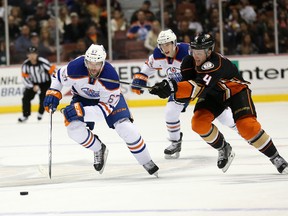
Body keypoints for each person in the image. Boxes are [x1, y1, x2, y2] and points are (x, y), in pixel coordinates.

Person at [149, 32, 288, 174]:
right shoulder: (188, 62)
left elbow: (199, 87)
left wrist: (173, 87)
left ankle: (275, 157)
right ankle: (223, 148)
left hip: (235, 92)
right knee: (198, 124)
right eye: (193, 51)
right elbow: (189, 90)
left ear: (209, 51)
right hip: (212, 95)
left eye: (200, 52)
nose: (195, 56)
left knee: (247, 127)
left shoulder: (215, 64)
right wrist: (168, 89)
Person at [43, 44, 159, 176]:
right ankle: (98, 149)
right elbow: (57, 77)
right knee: (73, 129)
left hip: (106, 102)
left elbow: (104, 111)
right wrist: (53, 92)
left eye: (97, 64)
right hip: (82, 98)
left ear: (103, 62)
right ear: (85, 61)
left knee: (126, 128)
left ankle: (146, 160)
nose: (93, 67)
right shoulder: (74, 67)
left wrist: (82, 112)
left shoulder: (111, 78)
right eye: (89, 63)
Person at [131, 29, 236, 159]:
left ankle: (242, 129)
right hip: (179, 88)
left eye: (168, 44)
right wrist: (140, 78)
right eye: (162, 45)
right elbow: (148, 66)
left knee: (223, 116)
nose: (165, 48)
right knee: (170, 112)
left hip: (200, 85)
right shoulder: (158, 55)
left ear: (175, 43)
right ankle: (175, 142)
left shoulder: (188, 52)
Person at [18, 46, 56, 122]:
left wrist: (55, 81)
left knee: (43, 98)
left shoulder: (43, 61)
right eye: (30, 54)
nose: (32, 56)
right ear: (27, 55)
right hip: (33, 84)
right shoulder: (25, 65)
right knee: (25, 98)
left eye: (34, 54)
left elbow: (53, 70)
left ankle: (40, 113)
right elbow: (24, 78)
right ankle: (25, 115)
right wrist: (32, 86)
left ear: (37, 54)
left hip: (45, 83)